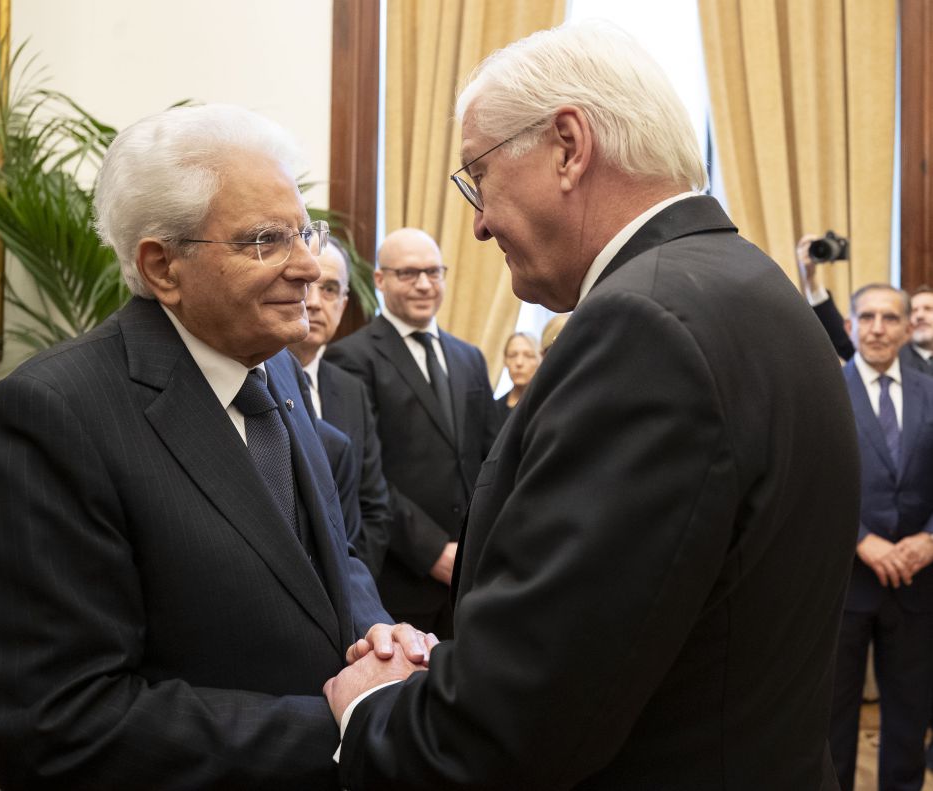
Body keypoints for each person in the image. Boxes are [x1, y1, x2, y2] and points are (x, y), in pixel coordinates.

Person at [323, 22, 861, 790]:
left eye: (478, 176)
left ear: (569, 147)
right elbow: (638, 624)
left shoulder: (643, 328)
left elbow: (512, 732)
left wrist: (375, 707)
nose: (476, 221)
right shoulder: (754, 286)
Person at [0, 104, 432, 791]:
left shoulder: (277, 376)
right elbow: (57, 721)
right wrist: (342, 724)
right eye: (267, 240)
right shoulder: (51, 415)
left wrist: (381, 639)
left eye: (305, 232)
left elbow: (330, 558)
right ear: (163, 267)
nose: (310, 265)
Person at [324, 227, 501, 638]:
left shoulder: (469, 357)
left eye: (433, 272)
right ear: (381, 280)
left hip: (473, 575)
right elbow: (368, 474)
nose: (424, 284)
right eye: (408, 274)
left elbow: (492, 455)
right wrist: (433, 551)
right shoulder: (351, 358)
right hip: (402, 578)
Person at [828, 284, 933, 791]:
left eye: (889, 318)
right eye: (866, 317)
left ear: (907, 328)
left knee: (910, 721)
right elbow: (807, 481)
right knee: (833, 723)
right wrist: (859, 539)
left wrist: (931, 539)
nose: (876, 328)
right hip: (844, 586)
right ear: (849, 326)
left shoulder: (931, 389)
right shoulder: (823, 390)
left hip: (917, 582)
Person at [289, 238, 391, 577]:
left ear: (344, 304)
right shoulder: (250, 380)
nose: (315, 303)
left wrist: (351, 597)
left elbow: (373, 508)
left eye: (330, 289)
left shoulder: (351, 391)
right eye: (306, 284)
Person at [796, 234, 933, 375]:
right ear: (907, 329)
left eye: (928, 309)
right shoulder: (888, 352)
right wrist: (810, 279)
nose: (920, 315)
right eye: (914, 311)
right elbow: (841, 336)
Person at [494, 331, 542, 424]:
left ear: (540, 360)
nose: (519, 363)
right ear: (505, 361)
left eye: (529, 355)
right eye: (512, 355)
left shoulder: (545, 406)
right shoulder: (494, 410)